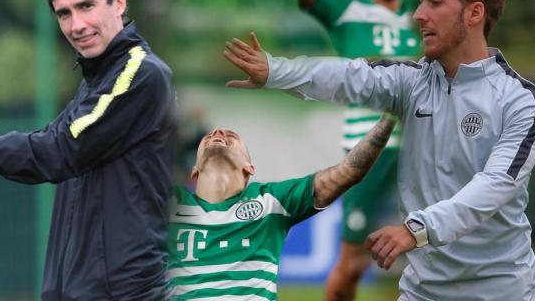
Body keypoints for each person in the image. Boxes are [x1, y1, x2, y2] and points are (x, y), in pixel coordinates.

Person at [224, 0, 535, 301]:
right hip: (422, 292)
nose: (419, 14)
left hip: (500, 292)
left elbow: (493, 186)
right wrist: (275, 71)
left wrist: (416, 230)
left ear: (474, 13)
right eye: (421, 1)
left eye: (434, 2)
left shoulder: (520, 100)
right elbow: (349, 76)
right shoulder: (411, 81)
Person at [0, 0, 176, 301]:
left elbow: (60, 149)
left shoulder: (139, 75)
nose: (76, 25)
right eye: (64, 14)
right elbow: (54, 139)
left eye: (86, 6)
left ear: (118, 2)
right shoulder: (98, 77)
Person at [286, 0, 420, 298]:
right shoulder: (347, 9)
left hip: (424, 150)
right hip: (370, 152)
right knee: (351, 265)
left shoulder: (422, 15)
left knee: (444, 254)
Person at [166, 102, 396, 300]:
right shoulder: (167, 203)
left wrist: (391, 115)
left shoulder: (272, 200)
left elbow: (348, 172)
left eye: (232, 136)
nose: (218, 132)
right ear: (194, 170)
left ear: (249, 168)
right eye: (209, 136)